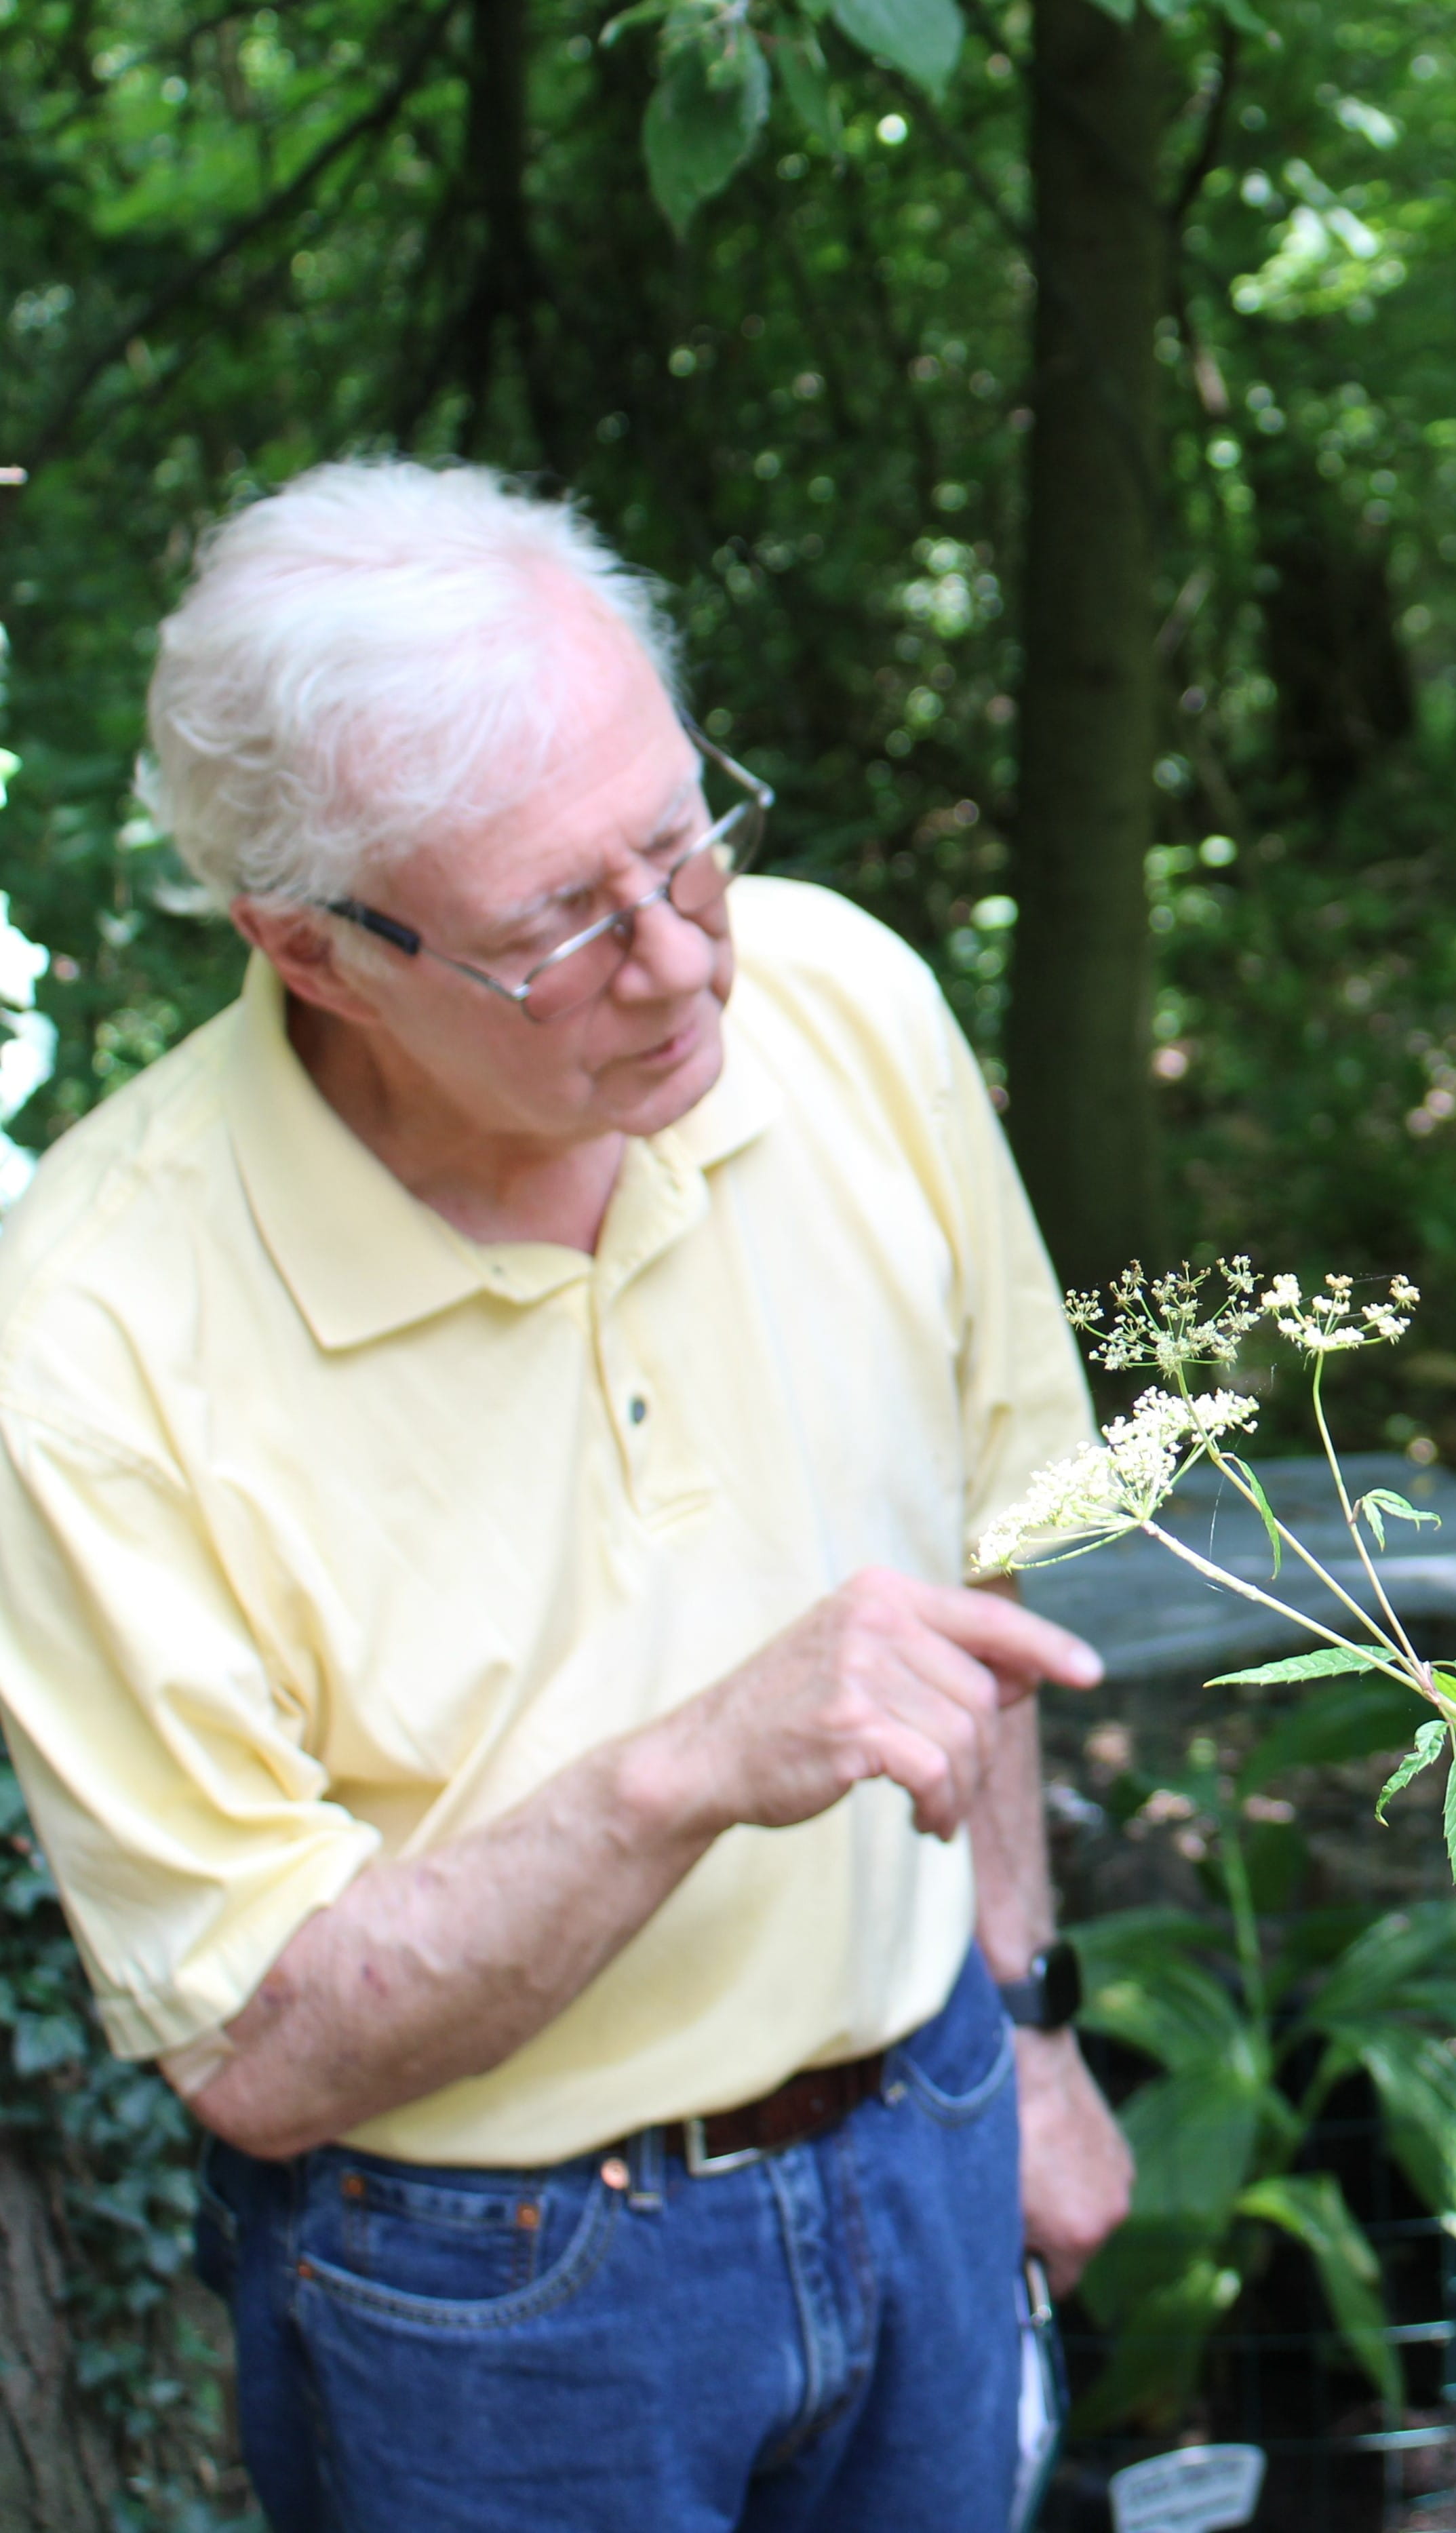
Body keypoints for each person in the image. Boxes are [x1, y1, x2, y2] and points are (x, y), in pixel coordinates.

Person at [0, 459, 1137, 2530]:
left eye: (685, 844)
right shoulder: (90, 1327)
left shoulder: (846, 998)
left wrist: (1028, 2023)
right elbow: (257, 2052)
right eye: (560, 924)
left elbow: (984, 1577)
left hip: (931, 2124)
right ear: (314, 953)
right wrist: (688, 1765)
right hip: (494, 2294)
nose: (684, 961)